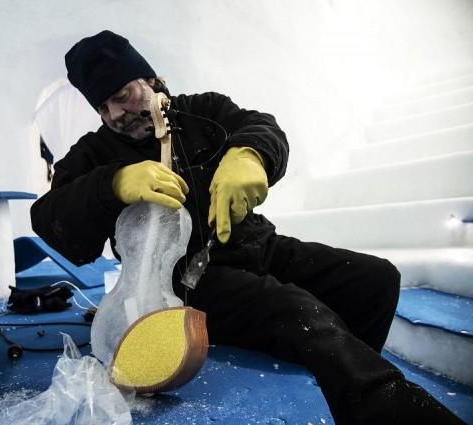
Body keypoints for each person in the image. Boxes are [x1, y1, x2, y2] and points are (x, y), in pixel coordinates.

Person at [31, 30, 464, 425]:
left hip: (260, 246)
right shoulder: (95, 152)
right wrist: (112, 185)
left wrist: (251, 154)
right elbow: (49, 217)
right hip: (188, 279)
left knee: (375, 279)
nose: (116, 114)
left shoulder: (204, 111)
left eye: (122, 95)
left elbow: (262, 127)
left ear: (150, 78)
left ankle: (348, 388)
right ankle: (386, 407)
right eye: (103, 107)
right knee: (301, 312)